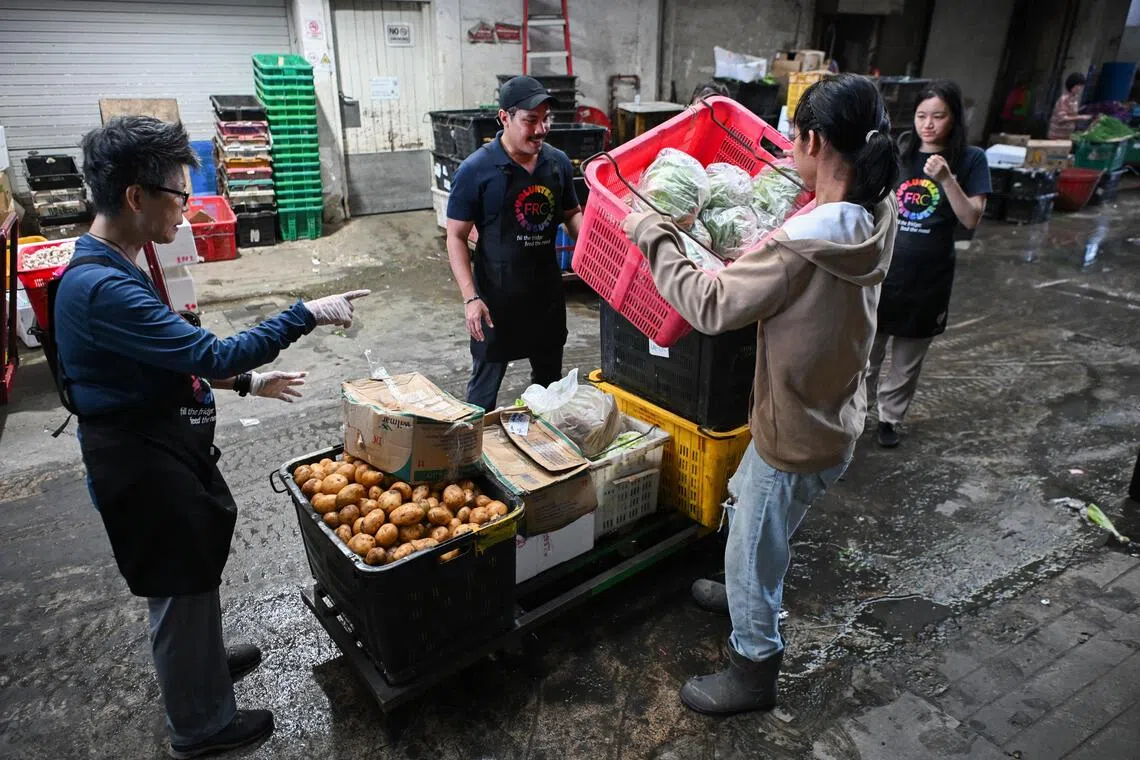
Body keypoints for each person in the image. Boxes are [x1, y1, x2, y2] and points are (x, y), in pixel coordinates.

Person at [52, 116, 369, 758]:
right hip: (140, 464)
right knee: (177, 585)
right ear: (136, 197)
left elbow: (167, 363)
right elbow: (210, 353)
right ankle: (200, 726)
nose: (187, 210)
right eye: (178, 194)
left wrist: (249, 386)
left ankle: (202, 665)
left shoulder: (115, 264)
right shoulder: (101, 287)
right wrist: (303, 313)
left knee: (192, 572)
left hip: (159, 443)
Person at [622, 73, 900, 714]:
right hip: (831, 412)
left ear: (816, 141)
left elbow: (711, 303)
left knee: (754, 550)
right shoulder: (871, 215)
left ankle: (754, 668)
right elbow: (827, 191)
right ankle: (745, 584)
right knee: (749, 501)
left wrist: (654, 232)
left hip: (794, 432)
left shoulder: (796, 247)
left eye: (795, 139)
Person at [445, 76, 583, 411]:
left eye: (545, 119)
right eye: (530, 121)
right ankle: (473, 455)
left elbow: (573, 215)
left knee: (550, 388)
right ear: (504, 118)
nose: (541, 130)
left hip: (546, 296)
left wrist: (602, 257)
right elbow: (456, 236)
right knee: (482, 396)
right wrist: (470, 298)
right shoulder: (476, 169)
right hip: (495, 301)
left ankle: (543, 453)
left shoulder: (557, 163)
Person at [870, 80, 990, 448]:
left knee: (906, 361)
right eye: (922, 116)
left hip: (928, 279)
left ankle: (889, 418)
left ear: (953, 118)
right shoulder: (900, 150)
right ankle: (855, 417)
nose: (929, 124)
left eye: (938, 116)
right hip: (885, 271)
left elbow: (970, 219)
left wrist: (946, 179)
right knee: (866, 356)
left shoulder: (970, 159)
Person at [1048, 72, 1090, 140]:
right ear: (1071, 85)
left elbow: (1071, 113)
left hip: (1066, 135)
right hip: (1056, 135)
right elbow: (1062, 118)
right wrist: (1081, 117)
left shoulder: (1074, 99)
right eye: (1077, 85)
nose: (1079, 88)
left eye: (1080, 86)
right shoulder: (1064, 99)